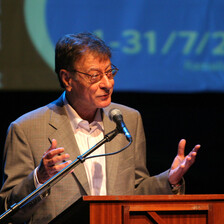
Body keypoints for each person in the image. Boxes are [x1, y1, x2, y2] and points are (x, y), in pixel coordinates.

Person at [0, 32, 200, 224]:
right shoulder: (26, 129)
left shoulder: (127, 120)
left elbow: (136, 191)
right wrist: (39, 177)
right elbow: (9, 210)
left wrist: (169, 180)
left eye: (109, 72)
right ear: (67, 79)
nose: (108, 83)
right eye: (95, 76)